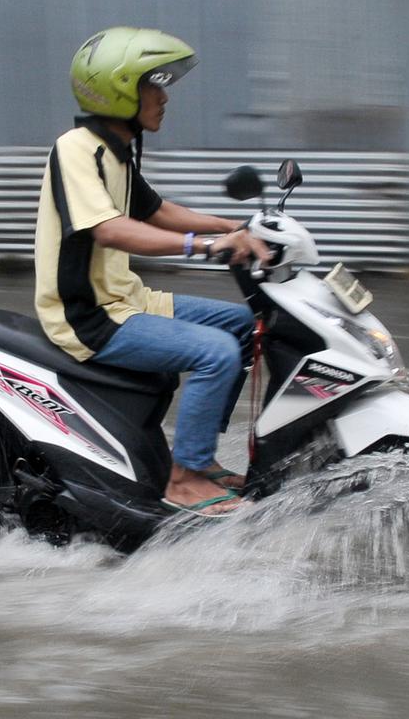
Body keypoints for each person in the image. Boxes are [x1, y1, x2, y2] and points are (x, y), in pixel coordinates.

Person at [34, 26, 269, 516]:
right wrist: (205, 245)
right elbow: (112, 230)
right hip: (88, 315)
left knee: (248, 329)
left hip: (128, 299)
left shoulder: (116, 152)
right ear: (119, 90)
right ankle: (183, 480)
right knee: (216, 352)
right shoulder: (77, 148)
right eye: (153, 86)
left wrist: (237, 225)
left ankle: (198, 461)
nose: (164, 98)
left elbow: (158, 210)